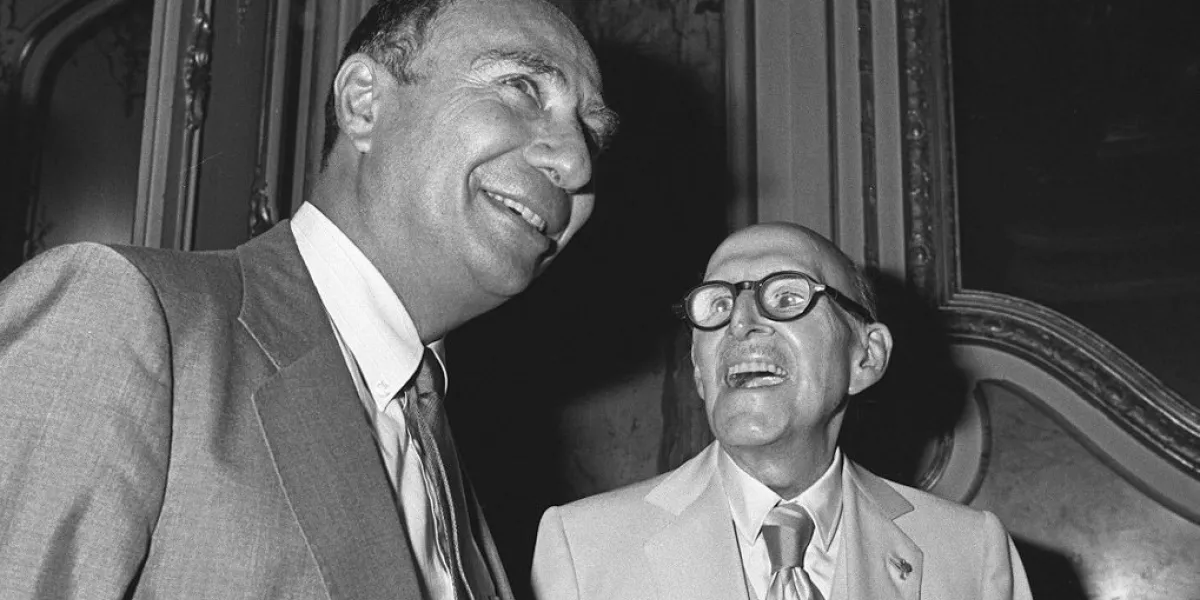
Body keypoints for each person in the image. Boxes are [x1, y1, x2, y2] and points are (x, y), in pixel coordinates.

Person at [0, 0, 616, 597]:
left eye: (591, 133)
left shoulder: (450, 453)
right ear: (364, 103)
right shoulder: (125, 318)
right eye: (522, 88)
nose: (576, 163)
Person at [531, 222, 1032, 600]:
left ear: (866, 357)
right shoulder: (582, 550)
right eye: (717, 306)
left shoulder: (972, 555)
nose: (741, 323)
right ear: (699, 370)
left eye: (788, 296)